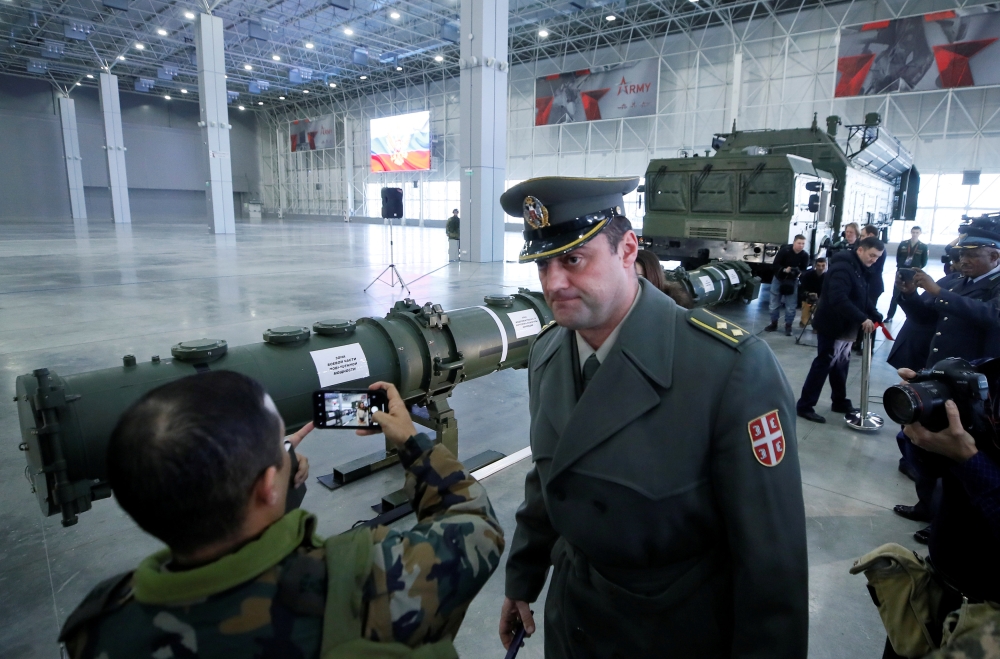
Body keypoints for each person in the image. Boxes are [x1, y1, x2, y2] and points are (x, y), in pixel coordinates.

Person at [497, 176, 808, 658]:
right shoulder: (548, 354)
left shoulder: (729, 370)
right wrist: (522, 578)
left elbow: (772, 566)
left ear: (627, 249)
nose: (552, 283)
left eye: (573, 259)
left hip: (667, 633)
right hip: (572, 622)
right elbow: (549, 484)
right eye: (542, 264)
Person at [59, 371, 504, 658]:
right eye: (282, 444)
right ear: (266, 486)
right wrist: (411, 440)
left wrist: (273, 498)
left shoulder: (95, 626)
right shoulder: (366, 583)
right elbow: (476, 524)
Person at [878, 359, 1000, 659]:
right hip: (936, 585)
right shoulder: (990, 371)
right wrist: (921, 432)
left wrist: (969, 458)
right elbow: (931, 470)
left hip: (989, 620)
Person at [889, 218, 1000, 539]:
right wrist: (909, 295)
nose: (961, 259)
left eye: (971, 253)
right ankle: (927, 506)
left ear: (995, 256)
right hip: (937, 379)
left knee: (959, 457)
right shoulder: (956, 282)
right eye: (959, 253)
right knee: (921, 447)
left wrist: (937, 290)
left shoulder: (990, 286)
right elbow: (925, 317)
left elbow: (992, 318)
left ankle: (945, 522)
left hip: (975, 388)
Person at [796, 236, 885, 423]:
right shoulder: (843, 268)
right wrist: (862, 318)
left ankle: (839, 401)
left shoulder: (859, 268)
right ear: (860, 250)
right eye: (872, 255)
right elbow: (838, 298)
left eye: (877, 257)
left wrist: (873, 312)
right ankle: (805, 405)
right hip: (833, 325)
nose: (874, 260)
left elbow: (861, 295)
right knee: (824, 364)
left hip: (846, 327)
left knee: (841, 364)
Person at [766, 234, 810, 335]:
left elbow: (804, 269)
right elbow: (775, 265)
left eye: (803, 244)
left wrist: (800, 273)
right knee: (774, 303)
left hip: (792, 280)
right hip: (779, 278)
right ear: (794, 242)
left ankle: (788, 326)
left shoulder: (804, 255)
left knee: (791, 305)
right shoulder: (784, 251)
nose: (801, 246)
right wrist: (785, 270)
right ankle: (773, 323)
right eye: (799, 243)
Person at [886, 225, 929, 320]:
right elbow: (898, 256)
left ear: (920, 233)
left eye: (917, 232)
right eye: (913, 232)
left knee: (912, 294)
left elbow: (924, 261)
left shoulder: (923, 246)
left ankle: (911, 316)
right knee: (896, 294)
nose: (914, 234)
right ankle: (890, 316)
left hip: (913, 272)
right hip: (902, 270)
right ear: (911, 233)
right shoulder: (903, 244)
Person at [799, 257, 827, 328]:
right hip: (808, 300)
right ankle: (806, 320)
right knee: (805, 322)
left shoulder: (828, 277)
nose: (821, 268)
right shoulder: (808, 275)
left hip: (821, 301)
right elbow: (802, 290)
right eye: (818, 265)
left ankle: (817, 324)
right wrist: (808, 294)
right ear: (815, 266)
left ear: (826, 265)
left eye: (823, 265)